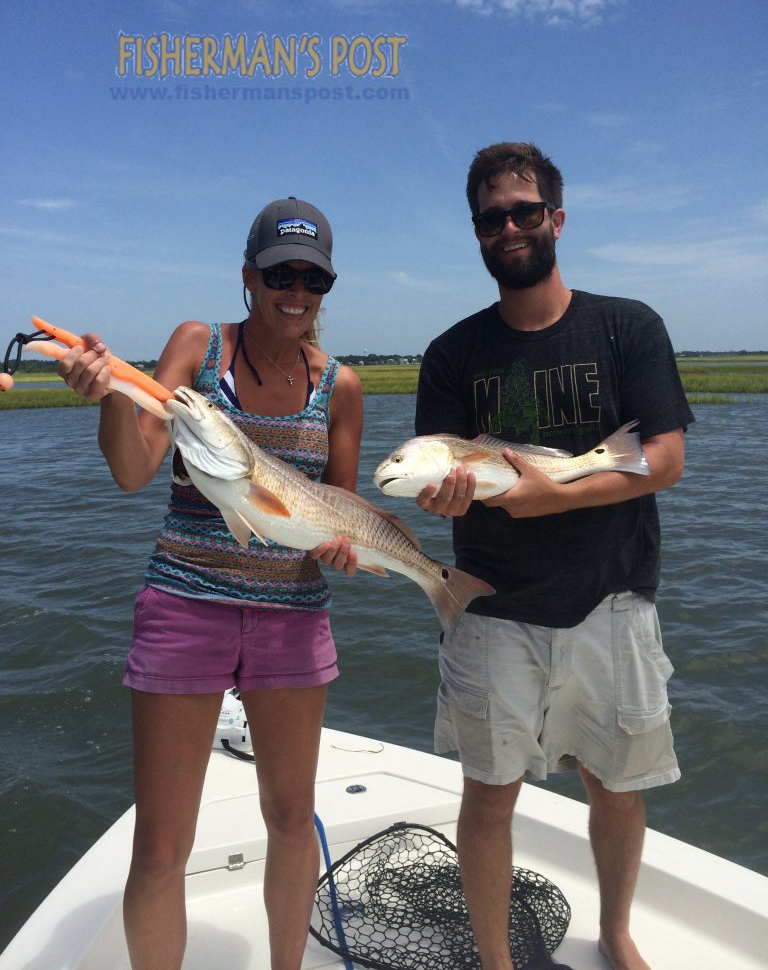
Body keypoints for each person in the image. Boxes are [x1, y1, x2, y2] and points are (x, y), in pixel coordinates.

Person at [56, 196, 363, 970]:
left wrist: (348, 549)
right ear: (248, 277)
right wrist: (110, 401)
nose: (296, 291)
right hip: (183, 603)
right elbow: (133, 469)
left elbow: (342, 511)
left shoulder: (343, 388)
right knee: (161, 846)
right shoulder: (200, 347)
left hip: (293, 613)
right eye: (280, 273)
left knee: (293, 818)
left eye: (313, 278)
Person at [414, 143, 693, 970]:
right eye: (492, 216)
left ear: (556, 220)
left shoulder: (627, 326)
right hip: (492, 607)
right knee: (488, 795)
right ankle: (497, 961)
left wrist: (554, 495)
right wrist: (440, 495)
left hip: (614, 599)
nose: (510, 226)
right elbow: (437, 462)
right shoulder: (452, 354)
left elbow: (666, 461)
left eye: (525, 210)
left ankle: (615, 932)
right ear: (477, 233)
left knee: (616, 785)